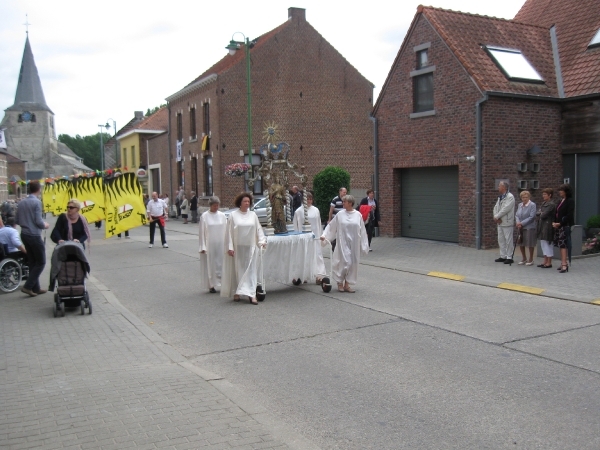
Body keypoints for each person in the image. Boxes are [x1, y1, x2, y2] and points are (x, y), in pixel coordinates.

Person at [221, 192, 266, 305]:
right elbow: (229, 233)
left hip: (250, 247)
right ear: (240, 203)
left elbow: (258, 229)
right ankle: (237, 292)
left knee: (250, 271)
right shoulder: (233, 215)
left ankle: (251, 294)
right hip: (238, 248)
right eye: (245, 201)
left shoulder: (253, 215)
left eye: (248, 202)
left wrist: (261, 241)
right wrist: (230, 247)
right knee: (238, 270)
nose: (247, 203)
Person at [321, 194, 369, 293]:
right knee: (345, 262)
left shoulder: (358, 215)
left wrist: (364, 245)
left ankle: (347, 284)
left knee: (352, 264)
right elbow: (331, 226)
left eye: (344, 202)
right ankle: (339, 282)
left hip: (354, 244)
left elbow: (363, 231)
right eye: (342, 201)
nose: (343, 203)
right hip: (342, 243)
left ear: (350, 203)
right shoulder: (340, 214)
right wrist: (325, 236)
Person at [15, 181, 49, 296]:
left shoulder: (21, 202)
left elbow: (17, 220)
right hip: (34, 235)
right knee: (41, 262)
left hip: (24, 234)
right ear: (39, 189)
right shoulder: (37, 202)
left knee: (33, 262)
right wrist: (45, 225)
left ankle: (36, 288)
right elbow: (38, 221)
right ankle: (28, 286)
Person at [293, 191, 326, 283]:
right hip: (303, 237)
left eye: (311, 199)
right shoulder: (298, 211)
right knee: (304, 255)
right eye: (307, 199)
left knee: (317, 255)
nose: (309, 201)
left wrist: (320, 235)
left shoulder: (316, 210)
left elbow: (318, 223)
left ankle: (319, 275)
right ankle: (304, 275)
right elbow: (296, 225)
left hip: (315, 236)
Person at [199, 196, 227, 293]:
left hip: (221, 243)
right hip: (210, 244)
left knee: (221, 263)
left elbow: (226, 230)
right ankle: (211, 284)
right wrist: (203, 246)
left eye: (217, 205)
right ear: (210, 206)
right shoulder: (204, 216)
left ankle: (223, 282)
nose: (216, 207)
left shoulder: (222, 216)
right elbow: (202, 232)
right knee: (211, 264)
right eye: (214, 206)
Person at [552, 184, 575, 273]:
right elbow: (557, 212)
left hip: (565, 226)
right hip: (558, 225)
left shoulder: (570, 201)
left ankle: (564, 264)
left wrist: (560, 223)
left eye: (561, 190)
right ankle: (562, 263)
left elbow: (569, 215)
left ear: (566, 191)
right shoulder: (561, 201)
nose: (560, 192)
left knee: (563, 245)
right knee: (560, 245)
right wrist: (554, 222)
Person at [493, 181, 515, 264]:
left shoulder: (510, 197)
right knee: (500, 239)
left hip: (507, 221)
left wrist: (497, 216)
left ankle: (509, 257)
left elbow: (506, 209)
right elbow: (495, 207)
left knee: (508, 240)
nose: (498, 187)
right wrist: (495, 216)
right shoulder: (500, 197)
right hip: (500, 222)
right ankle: (503, 256)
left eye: (499, 186)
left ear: (504, 187)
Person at [515, 190, 536, 266]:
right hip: (520, 227)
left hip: (529, 227)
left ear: (529, 197)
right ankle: (524, 258)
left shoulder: (532, 205)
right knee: (521, 242)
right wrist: (518, 222)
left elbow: (532, 217)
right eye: (523, 197)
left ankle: (531, 259)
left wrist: (522, 223)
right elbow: (517, 215)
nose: (525, 199)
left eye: (526, 197)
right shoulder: (520, 205)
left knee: (530, 243)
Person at [536, 188, 556, 268]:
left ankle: (549, 262)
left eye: (545, 194)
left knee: (548, 243)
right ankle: (545, 260)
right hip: (541, 225)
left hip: (548, 226)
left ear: (550, 195)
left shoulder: (551, 204)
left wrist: (541, 213)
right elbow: (538, 213)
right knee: (543, 243)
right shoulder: (543, 203)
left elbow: (544, 215)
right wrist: (541, 213)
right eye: (543, 194)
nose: (543, 196)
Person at [328, 187, 347, 252]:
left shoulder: (346, 200)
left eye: (345, 192)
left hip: (344, 221)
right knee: (336, 234)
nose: (345, 194)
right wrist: (329, 220)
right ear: (340, 192)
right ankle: (334, 246)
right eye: (344, 192)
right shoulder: (335, 199)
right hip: (335, 220)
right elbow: (331, 210)